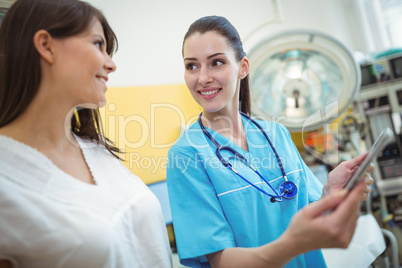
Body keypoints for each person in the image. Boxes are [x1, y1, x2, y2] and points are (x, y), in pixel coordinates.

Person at [167, 15, 373, 268]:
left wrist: (331, 191)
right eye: (192, 66)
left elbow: (311, 213)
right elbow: (221, 260)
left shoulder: (276, 135)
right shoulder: (187, 155)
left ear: (243, 67)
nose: (203, 77)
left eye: (216, 62)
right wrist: (292, 244)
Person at [0, 0, 172, 267]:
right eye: (97, 44)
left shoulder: (96, 151)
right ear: (46, 46)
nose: (111, 64)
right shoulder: (8, 181)